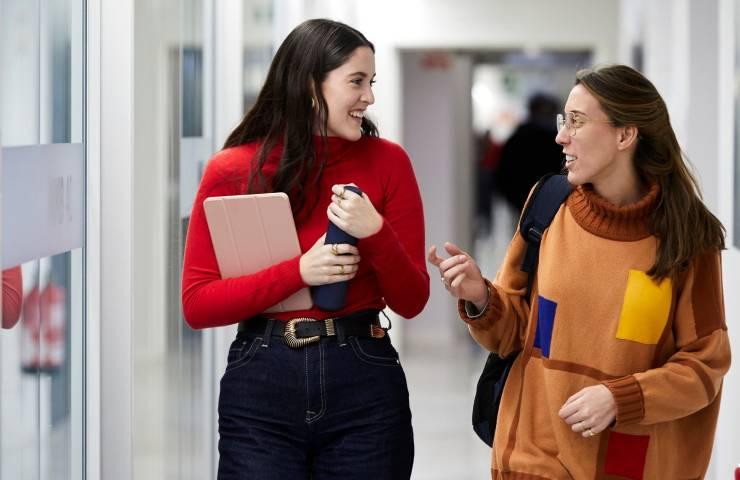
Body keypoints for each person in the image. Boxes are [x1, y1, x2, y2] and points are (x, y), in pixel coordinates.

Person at [428, 65, 730, 479]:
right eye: (562, 120)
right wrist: (481, 296)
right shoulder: (549, 205)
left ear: (626, 135)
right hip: (532, 456)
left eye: (577, 122)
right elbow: (518, 333)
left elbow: (704, 366)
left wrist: (619, 398)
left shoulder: (688, 237)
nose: (561, 136)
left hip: (624, 463)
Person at [181, 19, 429, 480]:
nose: (369, 97)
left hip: (365, 380)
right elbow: (198, 304)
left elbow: (413, 300)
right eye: (356, 82)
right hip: (260, 383)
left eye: (370, 82)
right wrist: (301, 270)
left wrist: (374, 230)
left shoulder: (389, 162)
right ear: (310, 86)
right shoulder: (233, 169)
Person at [495, 92, 562, 215]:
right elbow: (504, 174)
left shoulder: (559, 139)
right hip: (533, 204)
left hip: (534, 205)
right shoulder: (557, 139)